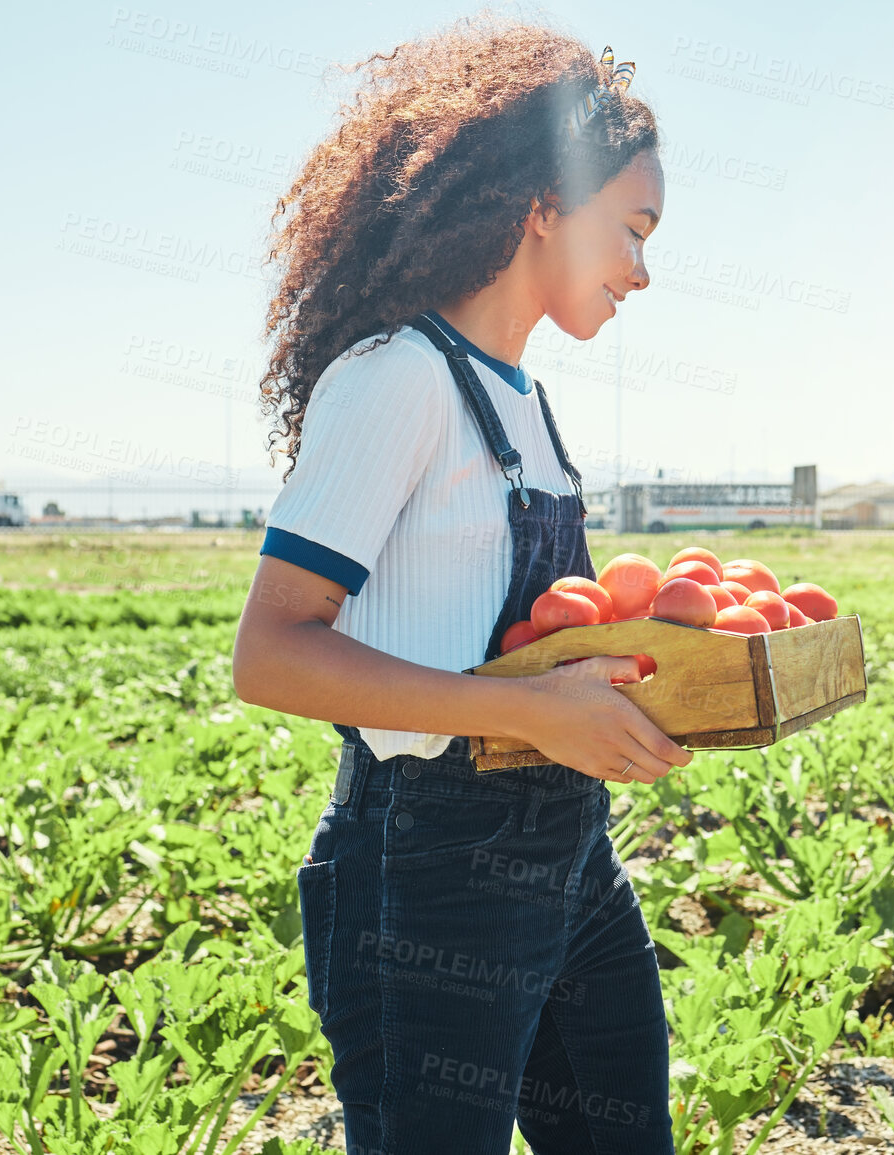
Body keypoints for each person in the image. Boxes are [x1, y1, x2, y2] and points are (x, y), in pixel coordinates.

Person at [231, 16, 689, 1155]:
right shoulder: (397, 380)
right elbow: (273, 653)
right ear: (542, 204)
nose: (644, 269)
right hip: (424, 865)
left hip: (567, 846)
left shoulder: (524, 402)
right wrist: (532, 709)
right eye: (630, 230)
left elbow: (520, 637)